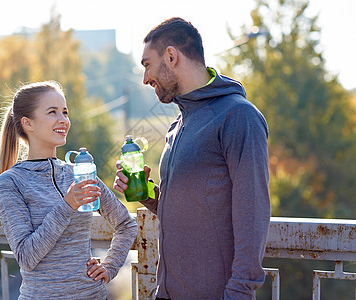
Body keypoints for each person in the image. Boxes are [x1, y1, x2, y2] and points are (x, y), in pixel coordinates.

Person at [114, 17, 270, 300]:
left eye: (147, 64)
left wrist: (238, 292)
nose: (145, 78)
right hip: (167, 292)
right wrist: (145, 191)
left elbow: (254, 214)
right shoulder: (179, 123)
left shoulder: (238, 117)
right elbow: (190, 209)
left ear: (171, 56)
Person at [0, 81, 138, 300]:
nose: (63, 120)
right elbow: (26, 256)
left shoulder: (80, 173)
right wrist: (67, 206)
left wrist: (110, 266)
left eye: (65, 112)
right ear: (28, 123)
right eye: (52, 112)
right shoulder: (11, 182)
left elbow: (126, 224)